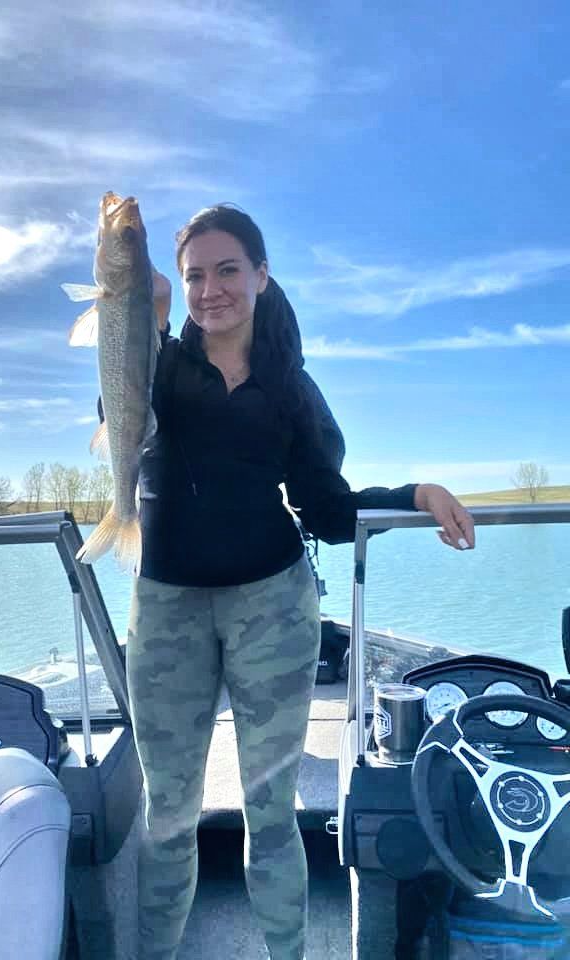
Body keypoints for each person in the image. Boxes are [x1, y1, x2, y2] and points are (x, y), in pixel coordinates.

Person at [126, 204, 475, 960]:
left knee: (272, 812)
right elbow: (118, 410)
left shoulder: (290, 385)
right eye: (194, 276)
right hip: (167, 609)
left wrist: (412, 494)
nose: (210, 288)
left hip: (273, 606)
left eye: (227, 270)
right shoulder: (158, 365)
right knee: (166, 815)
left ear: (260, 274)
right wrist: (142, 313)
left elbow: (324, 509)